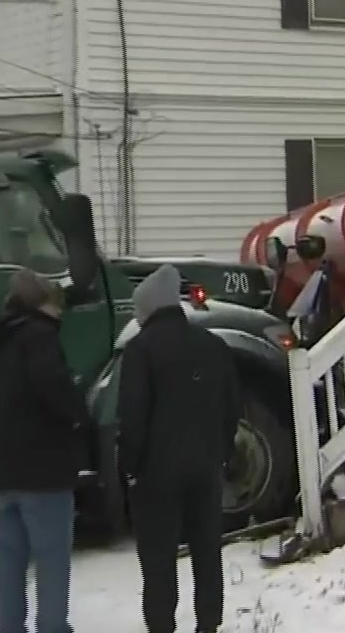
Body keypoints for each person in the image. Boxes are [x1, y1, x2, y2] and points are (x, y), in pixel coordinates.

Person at [118, 264, 243, 633]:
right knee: (207, 552)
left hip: (156, 477)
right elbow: (232, 407)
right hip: (205, 470)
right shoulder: (213, 345)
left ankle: (161, 625)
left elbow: (133, 416)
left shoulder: (139, 351)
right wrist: (219, 451)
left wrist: (130, 466)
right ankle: (209, 624)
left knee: (158, 562)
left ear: (148, 310)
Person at [0, 269, 88, 633]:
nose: (61, 315)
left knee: (9, 560)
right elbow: (54, 391)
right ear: (43, 303)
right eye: (57, 306)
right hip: (42, 473)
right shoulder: (39, 336)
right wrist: (78, 416)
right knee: (52, 561)